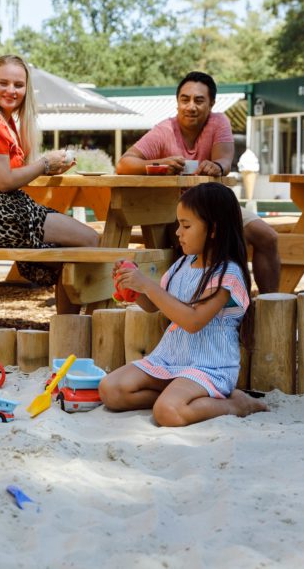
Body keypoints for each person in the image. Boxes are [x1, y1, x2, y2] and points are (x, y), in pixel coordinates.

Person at [98, 183, 268, 427]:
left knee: (167, 413)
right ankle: (176, 396)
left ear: (213, 230)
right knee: (110, 390)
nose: (178, 232)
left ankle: (236, 404)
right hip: (169, 359)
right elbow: (155, 306)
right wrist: (134, 290)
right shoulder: (181, 265)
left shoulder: (226, 275)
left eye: (186, 226)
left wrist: (147, 285)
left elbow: (192, 321)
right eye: (179, 224)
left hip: (208, 366)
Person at [115, 71, 280, 293]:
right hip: (174, 211)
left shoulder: (218, 122)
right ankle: (209, 305)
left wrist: (217, 166)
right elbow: (124, 164)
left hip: (217, 207)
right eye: (185, 99)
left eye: (199, 100)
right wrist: (158, 163)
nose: (191, 106)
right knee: (210, 240)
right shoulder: (165, 130)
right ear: (177, 103)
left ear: (211, 104)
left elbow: (224, 160)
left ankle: (271, 304)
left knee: (267, 237)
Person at [0, 54, 98, 285]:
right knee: (89, 241)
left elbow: (6, 175)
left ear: (27, 89)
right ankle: (78, 317)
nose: (11, 90)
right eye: (3, 83)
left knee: (74, 253)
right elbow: (3, 181)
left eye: (18, 85)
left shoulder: (3, 120)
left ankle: (70, 320)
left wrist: (47, 169)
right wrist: (44, 164)